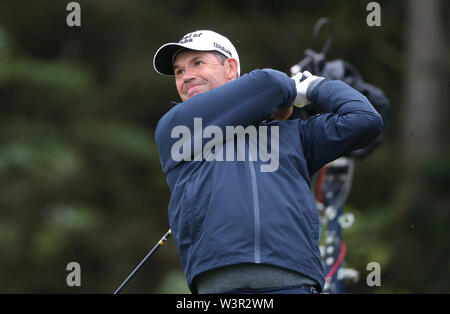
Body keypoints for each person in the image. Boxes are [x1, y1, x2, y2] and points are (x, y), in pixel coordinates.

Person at [153, 30, 383, 294]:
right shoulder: (176, 128)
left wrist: (315, 86)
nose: (186, 76)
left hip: (294, 279)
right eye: (179, 71)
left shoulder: (291, 134)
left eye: (197, 63)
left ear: (230, 68)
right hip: (220, 286)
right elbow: (271, 83)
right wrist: (291, 90)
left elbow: (365, 119)